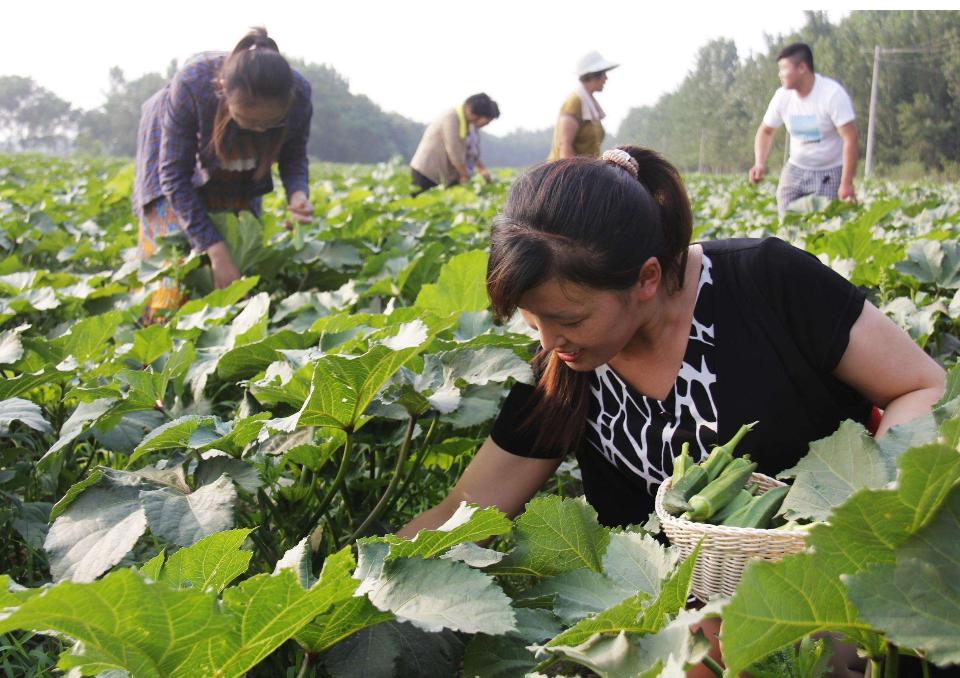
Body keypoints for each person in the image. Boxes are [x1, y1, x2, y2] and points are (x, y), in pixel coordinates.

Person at [398, 146, 945, 677]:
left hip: (830, 586)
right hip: (675, 631)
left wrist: (874, 522)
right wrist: (371, 578)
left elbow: (919, 385)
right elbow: (468, 506)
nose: (547, 340)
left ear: (647, 279)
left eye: (568, 317)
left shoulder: (767, 283)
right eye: (531, 318)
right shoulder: (564, 364)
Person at [132, 27, 314, 319]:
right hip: (171, 156)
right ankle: (155, 350)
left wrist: (298, 194)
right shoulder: (194, 84)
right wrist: (214, 251)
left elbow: (293, 155)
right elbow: (174, 177)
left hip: (242, 170)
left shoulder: (299, 95)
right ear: (223, 92)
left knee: (236, 275)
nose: (259, 130)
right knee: (171, 274)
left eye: (270, 124)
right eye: (249, 121)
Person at [749, 43, 858, 218]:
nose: (780, 74)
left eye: (784, 68)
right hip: (796, 169)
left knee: (824, 228)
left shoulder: (832, 94)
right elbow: (766, 131)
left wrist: (846, 183)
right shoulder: (782, 96)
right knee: (787, 222)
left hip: (829, 171)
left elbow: (850, 139)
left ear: (802, 68)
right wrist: (760, 163)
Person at [409, 93, 499, 194]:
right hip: (427, 171)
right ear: (470, 110)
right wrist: (464, 175)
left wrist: (478, 170)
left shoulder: (467, 123)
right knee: (421, 204)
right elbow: (454, 150)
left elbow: (471, 152)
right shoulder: (451, 118)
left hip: (444, 174)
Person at [548, 51, 618, 161]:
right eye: (603, 74)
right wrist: (573, 176)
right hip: (570, 174)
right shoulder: (574, 102)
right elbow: (565, 146)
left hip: (586, 172)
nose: (606, 78)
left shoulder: (589, 103)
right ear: (593, 76)